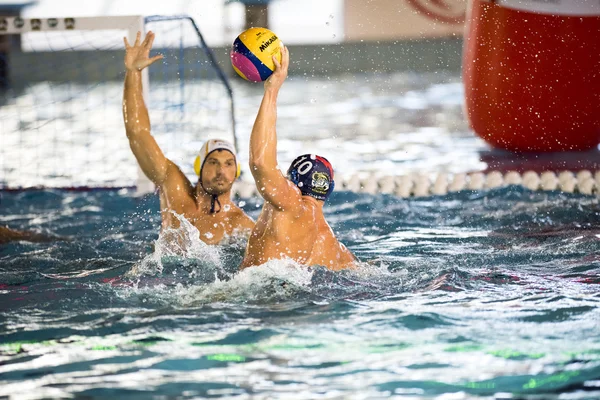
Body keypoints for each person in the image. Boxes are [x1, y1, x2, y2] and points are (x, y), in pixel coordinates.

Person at [123, 31, 253, 245]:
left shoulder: (241, 225)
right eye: (213, 162)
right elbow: (138, 133)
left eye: (229, 164)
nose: (222, 171)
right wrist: (133, 73)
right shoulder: (174, 188)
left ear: (236, 171)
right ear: (199, 166)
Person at [241, 44, 356, 270]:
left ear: (291, 181)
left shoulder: (290, 204)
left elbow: (260, 162)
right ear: (329, 188)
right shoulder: (335, 249)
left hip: (257, 298)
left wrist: (272, 91)